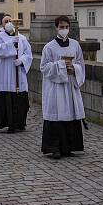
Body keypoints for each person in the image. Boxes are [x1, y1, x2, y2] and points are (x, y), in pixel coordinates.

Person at [40, 16, 85, 159]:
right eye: (61, 27)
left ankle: (70, 147)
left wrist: (74, 69)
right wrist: (61, 66)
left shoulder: (75, 45)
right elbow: (44, 67)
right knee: (56, 116)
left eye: (66, 27)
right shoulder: (49, 47)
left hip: (70, 85)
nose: (64, 29)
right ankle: (55, 148)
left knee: (70, 114)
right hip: (56, 88)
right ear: (56, 28)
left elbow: (80, 63)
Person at [0, 15, 32, 133]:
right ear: (3, 24)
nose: (9, 23)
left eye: (10, 21)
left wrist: (22, 61)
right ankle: (9, 124)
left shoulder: (22, 38)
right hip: (5, 73)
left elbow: (28, 54)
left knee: (19, 99)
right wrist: (11, 44)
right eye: (6, 21)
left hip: (18, 73)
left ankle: (20, 123)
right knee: (7, 100)